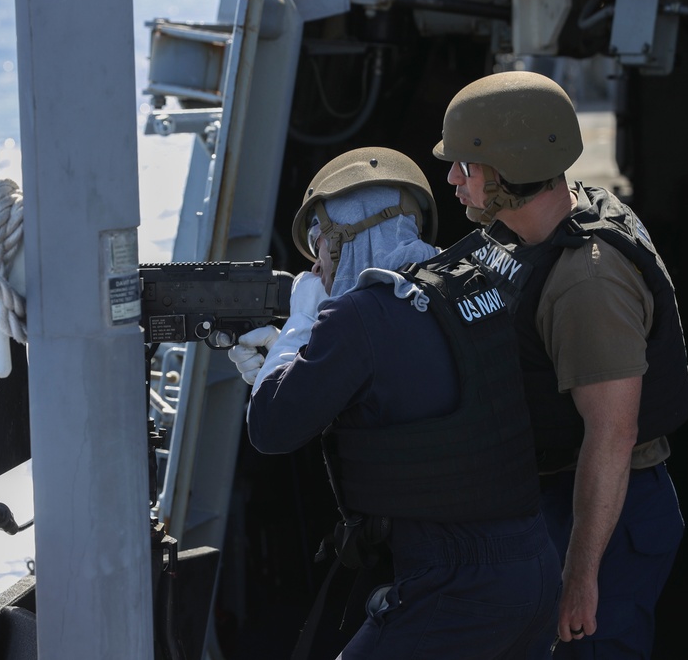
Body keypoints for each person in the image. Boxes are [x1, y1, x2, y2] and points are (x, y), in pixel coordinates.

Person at [230, 147, 560, 659]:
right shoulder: (473, 283)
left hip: (456, 585)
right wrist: (291, 361)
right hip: (530, 566)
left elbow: (271, 428)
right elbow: (405, 372)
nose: (317, 267)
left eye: (320, 248)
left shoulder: (358, 317)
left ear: (344, 240)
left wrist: (301, 324)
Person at [433, 69, 688, 658]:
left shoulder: (587, 283)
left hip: (605, 517)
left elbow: (612, 433)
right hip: (557, 499)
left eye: (467, 166)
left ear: (512, 169)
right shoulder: (531, 229)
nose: (452, 178)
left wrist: (581, 577)